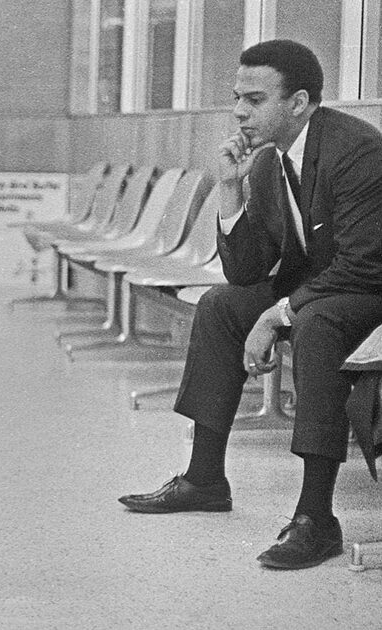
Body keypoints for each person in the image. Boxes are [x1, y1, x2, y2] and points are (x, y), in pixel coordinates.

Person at [118, 39, 382, 570]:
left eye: (255, 99)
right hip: (320, 288)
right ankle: (204, 477)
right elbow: (244, 272)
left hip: (367, 289)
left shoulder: (358, 151)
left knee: (317, 320)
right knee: (220, 304)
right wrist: (230, 187)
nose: (239, 111)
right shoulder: (267, 164)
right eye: (237, 97)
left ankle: (316, 517)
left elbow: (366, 262)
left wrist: (278, 312)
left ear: (299, 102)